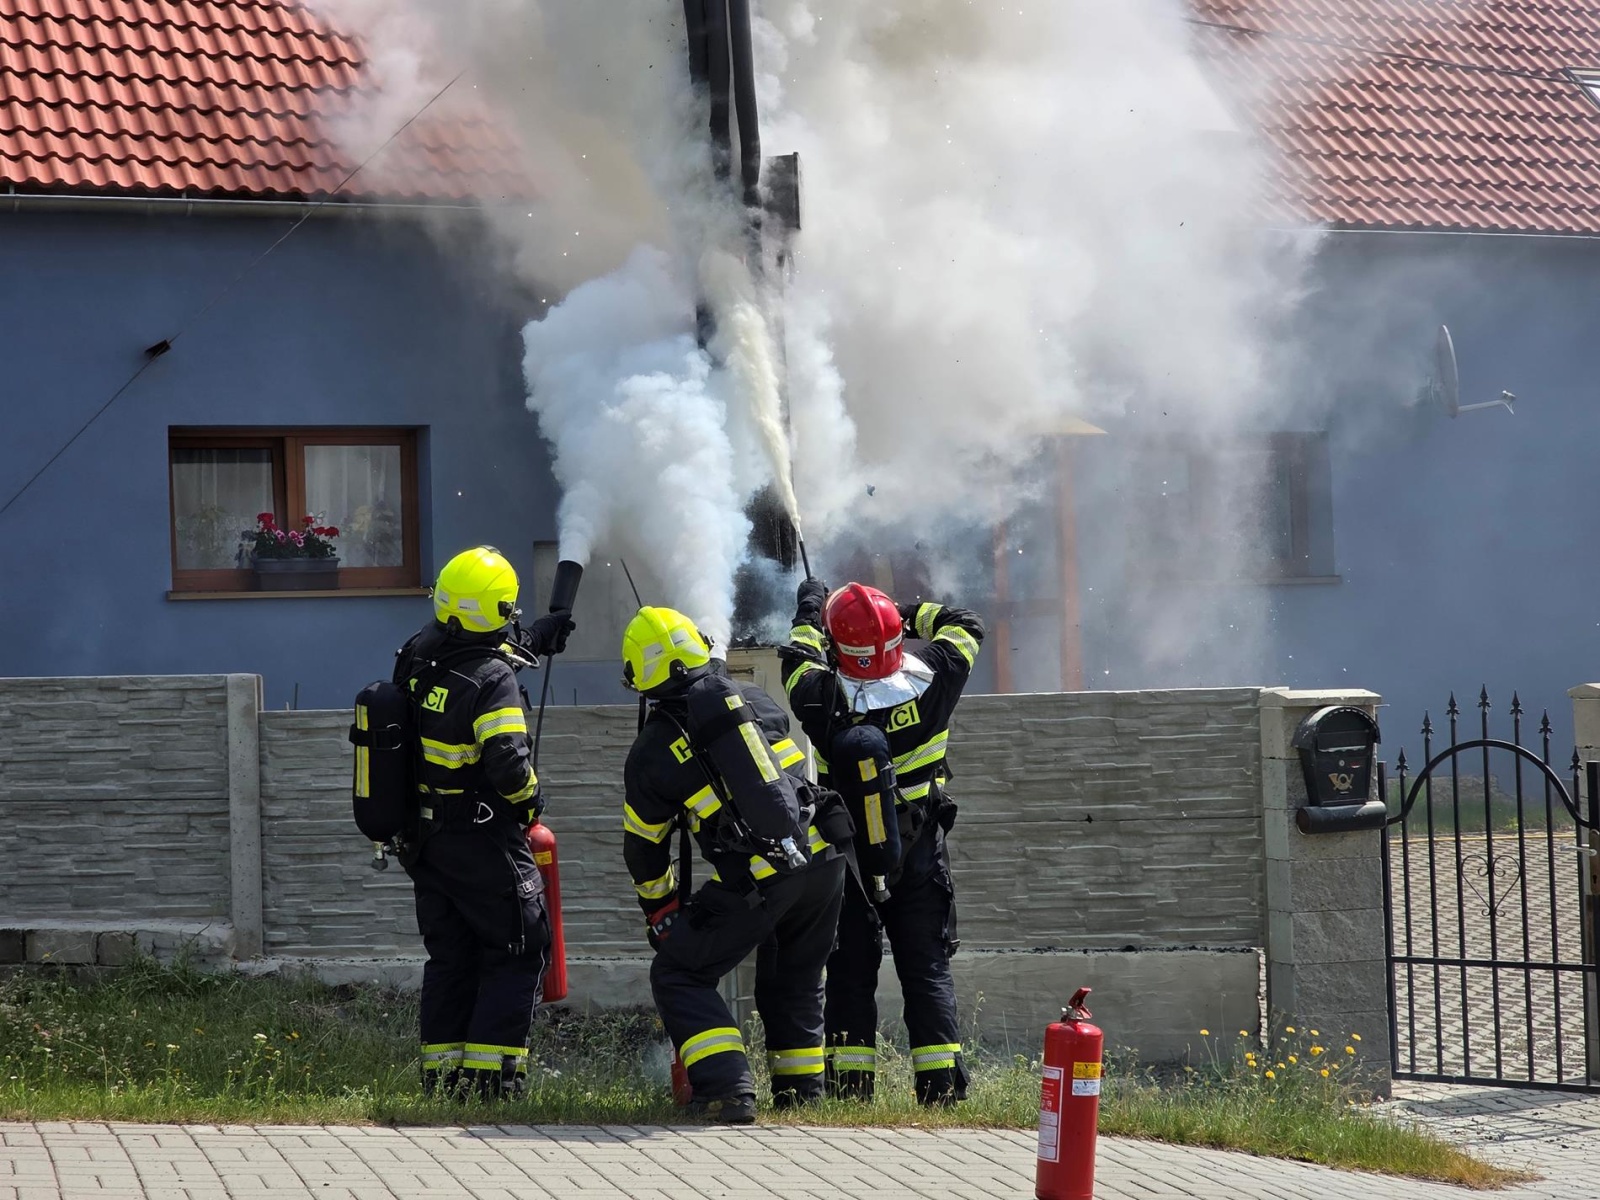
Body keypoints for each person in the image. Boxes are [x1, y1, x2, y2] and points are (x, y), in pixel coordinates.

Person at [620, 605, 850, 1123]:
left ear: (640, 678)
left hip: (764, 878)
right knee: (795, 974)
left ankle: (726, 1091)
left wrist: (662, 909)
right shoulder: (754, 701)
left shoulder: (651, 751)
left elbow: (644, 846)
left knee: (680, 972)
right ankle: (801, 1097)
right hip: (825, 860)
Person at [779, 579, 984, 1105]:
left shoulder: (818, 695)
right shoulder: (939, 678)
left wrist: (811, 608)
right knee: (926, 969)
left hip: (847, 857)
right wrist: (904, 612)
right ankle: (940, 1092)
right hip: (918, 852)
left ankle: (852, 1095)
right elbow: (966, 623)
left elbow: (798, 651)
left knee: (848, 974)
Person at [393, 545, 574, 1100]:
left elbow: (471, 654)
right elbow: (507, 762)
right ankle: (495, 1084)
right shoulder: (493, 678)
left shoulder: (416, 656)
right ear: (496, 610)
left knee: (452, 956)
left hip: (427, 842)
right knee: (519, 947)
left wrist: (541, 636)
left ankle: (443, 1081)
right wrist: (531, 803)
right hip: (484, 837)